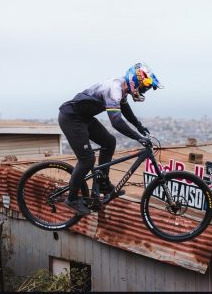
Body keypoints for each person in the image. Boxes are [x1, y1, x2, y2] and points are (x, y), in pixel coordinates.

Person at [58, 63, 163, 215]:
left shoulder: (122, 87)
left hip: (84, 117)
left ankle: (103, 183)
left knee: (109, 142)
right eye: (143, 87)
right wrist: (138, 137)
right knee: (87, 160)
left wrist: (139, 126)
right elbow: (116, 121)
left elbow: (125, 110)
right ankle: (72, 199)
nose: (143, 91)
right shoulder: (114, 89)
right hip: (71, 118)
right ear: (134, 81)